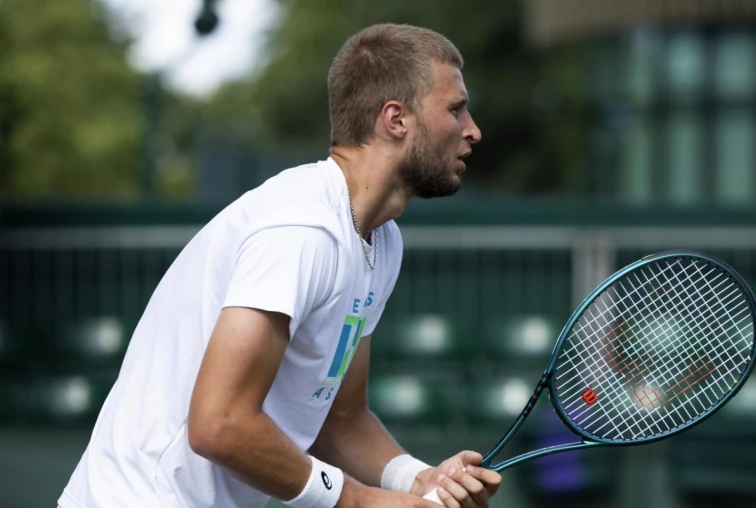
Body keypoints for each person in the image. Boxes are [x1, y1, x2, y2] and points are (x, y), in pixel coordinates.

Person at [58, 23, 501, 508]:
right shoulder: (301, 228)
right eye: (455, 109)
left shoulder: (381, 239)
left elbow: (340, 416)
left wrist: (415, 480)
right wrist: (357, 501)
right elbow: (220, 424)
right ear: (395, 119)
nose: (472, 129)